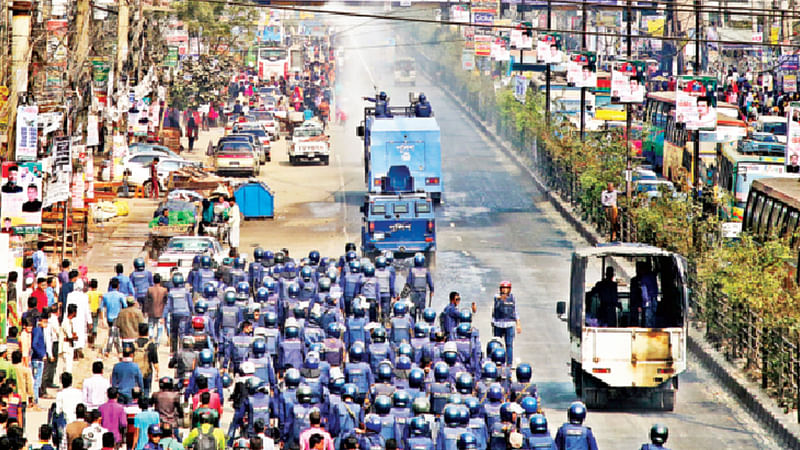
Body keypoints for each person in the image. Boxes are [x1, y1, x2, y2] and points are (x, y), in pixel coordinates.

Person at [491, 281, 520, 365]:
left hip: (509, 324)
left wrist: (518, 323)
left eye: (506, 288)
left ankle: (509, 364)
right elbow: (498, 298)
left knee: (509, 345)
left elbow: (515, 311)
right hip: (498, 324)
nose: (504, 290)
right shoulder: (497, 296)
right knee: (496, 344)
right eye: (503, 288)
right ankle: (496, 362)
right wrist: (501, 298)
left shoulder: (512, 298)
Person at [144, 274, 167, 344]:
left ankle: (151, 339)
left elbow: (146, 301)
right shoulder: (164, 290)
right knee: (160, 328)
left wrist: (145, 311)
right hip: (161, 313)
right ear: (160, 281)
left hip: (151, 312)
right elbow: (166, 302)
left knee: (151, 327)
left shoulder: (149, 289)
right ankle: (157, 341)